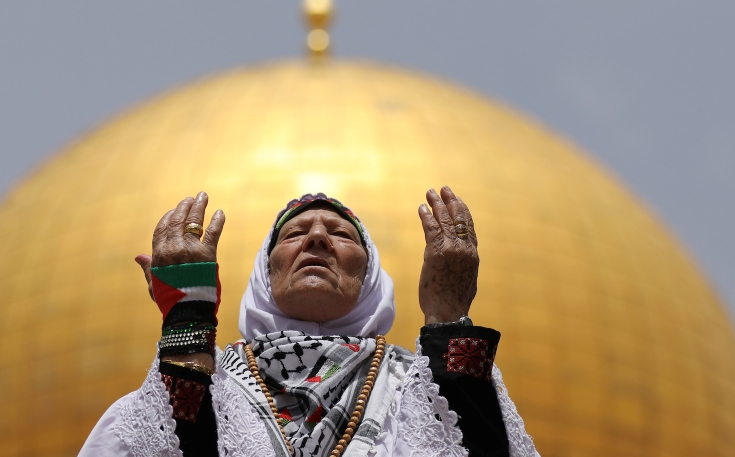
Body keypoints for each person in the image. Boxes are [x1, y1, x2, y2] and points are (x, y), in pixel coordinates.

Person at [79, 187, 539, 457]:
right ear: (266, 272)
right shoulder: (213, 388)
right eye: (295, 233)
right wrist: (187, 324)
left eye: (341, 234)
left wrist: (448, 320)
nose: (317, 238)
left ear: (370, 276)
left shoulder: (415, 389)